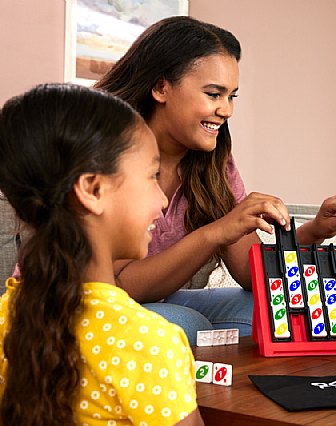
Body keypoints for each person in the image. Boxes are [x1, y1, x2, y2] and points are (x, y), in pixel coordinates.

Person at [94, 16, 336, 344]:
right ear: (161, 87)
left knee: (270, 311)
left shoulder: (213, 162)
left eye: (231, 97)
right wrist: (216, 232)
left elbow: (252, 274)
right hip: (93, 306)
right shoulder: (106, 153)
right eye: (214, 94)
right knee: (186, 324)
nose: (226, 111)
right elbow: (120, 286)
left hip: (161, 302)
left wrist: (316, 230)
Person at [0, 84, 202, 424]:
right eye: (152, 176)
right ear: (93, 189)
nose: (163, 199)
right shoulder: (148, 344)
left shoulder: (5, 317)